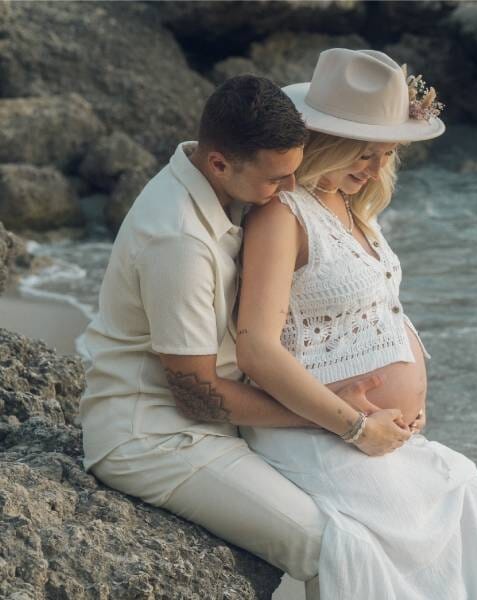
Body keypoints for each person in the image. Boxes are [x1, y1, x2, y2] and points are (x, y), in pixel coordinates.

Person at [236, 48, 477, 599]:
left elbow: (371, 316)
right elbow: (257, 349)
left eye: (387, 154)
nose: (377, 169)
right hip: (321, 436)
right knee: (460, 556)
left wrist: (404, 402)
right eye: (365, 154)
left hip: (377, 437)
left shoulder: (348, 204)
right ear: (325, 141)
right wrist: (354, 425)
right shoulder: (282, 215)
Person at [78, 75, 409, 599]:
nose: (290, 192)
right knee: (333, 541)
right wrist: (344, 421)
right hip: (156, 437)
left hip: (222, 422)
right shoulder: (179, 241)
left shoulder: (221, 182)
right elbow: (195, 393)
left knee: (383, 515)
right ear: (219, 163)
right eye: (277, 180)